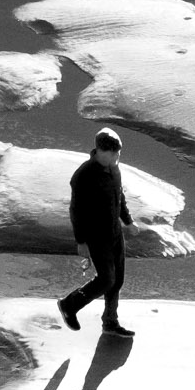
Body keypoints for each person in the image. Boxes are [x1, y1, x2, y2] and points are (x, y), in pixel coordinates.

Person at [58, 128, 135, 338]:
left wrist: (128, 221)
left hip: (114, 233)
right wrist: (81, 242)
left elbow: (119, 197)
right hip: (96, 236)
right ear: (102, 151)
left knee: (117, 279)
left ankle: (110, 322)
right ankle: (70, 304)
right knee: (106, 279)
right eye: (115, 153)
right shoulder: (84, 175)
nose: (118, 157)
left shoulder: (114, 169)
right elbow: (76, 211)